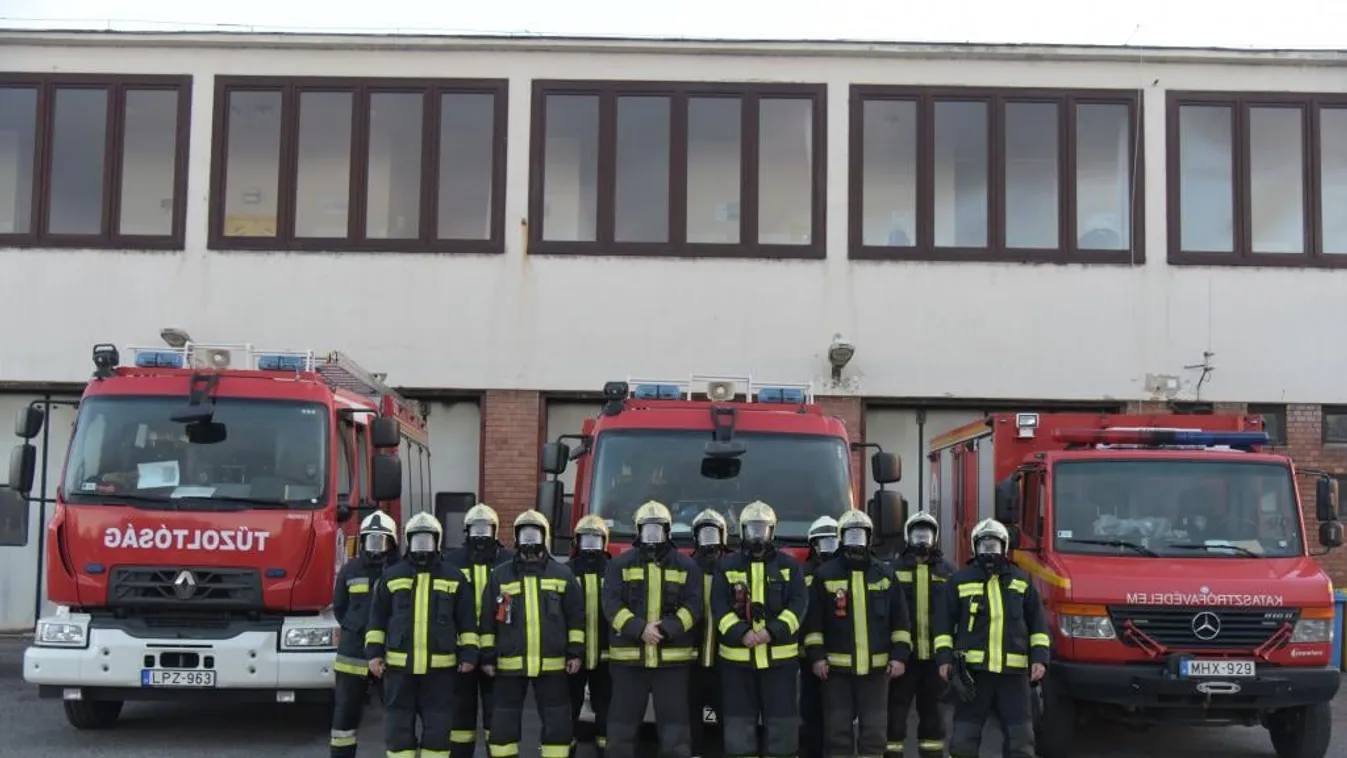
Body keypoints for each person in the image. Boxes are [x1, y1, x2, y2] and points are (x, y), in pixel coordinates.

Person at [934, 518, 1051, 758]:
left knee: (1021, 741)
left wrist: (1040, 658)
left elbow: (1038, 624)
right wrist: (944, 659)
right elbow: (943, 624)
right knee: (964, 740)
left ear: (1004, 547)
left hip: (1014, 676)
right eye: (984, 546)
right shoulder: (959, 580)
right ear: (975, 547)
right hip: (973, 676)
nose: (989, 551)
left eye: (994, 545)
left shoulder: (1022, 581)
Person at [366, 512, 478, 758]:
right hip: (398, 671)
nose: (423, 547)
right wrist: (374, 655)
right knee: (398, 730)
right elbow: (377, 620)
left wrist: (469, 654)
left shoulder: (454, 577)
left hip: (440, 673)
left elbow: (467, 621)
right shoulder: (392, 576)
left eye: (427, 540)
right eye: (418, 540)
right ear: (408, 541)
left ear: (437, 542)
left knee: (438, 732)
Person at [803, 510, 911, 758]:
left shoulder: (885, 575)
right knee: (837, 735)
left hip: (876, 672)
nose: (856, 541)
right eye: (851, 535)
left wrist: (900, 657)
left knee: (874, 736)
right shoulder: (825, 575)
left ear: (869, 538)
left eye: (860, 535)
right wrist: (817, 657)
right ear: (841, 538)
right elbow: (814, 624)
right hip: (835, 672)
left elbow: (901, 622)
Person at [480, 510, 586, 758]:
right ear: (516, 539)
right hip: (508, 666)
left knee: (558, 725)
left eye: (534, 534)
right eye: (524, 534)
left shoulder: (562, 574)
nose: (529, 540)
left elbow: (576, 617)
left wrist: (575, 653)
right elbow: (487, 619)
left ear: (544, 537)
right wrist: (487, 656)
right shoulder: (500, 575)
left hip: (553, 666)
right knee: (503, 726)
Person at [603, 500, 704, 758]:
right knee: (621, 730)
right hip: (629, 662)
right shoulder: (619, 565)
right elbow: (611, 605)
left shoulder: (687, 566)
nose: (652, 536)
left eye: (657, 530)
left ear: (667, 531)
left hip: (671, 663)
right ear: (638, 531)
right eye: (647, 530)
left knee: (675, 733)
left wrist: (665, 629)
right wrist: (640, 629)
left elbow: (694, 607)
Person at [712, 501, 808, 758]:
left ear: (772, 531)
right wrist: (741, 633)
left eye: (762, 529)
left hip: (780, 664)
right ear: (742, 531)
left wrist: (771, 632)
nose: (757, 535)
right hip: (737, 664)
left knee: (782, 727)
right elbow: (719, 608)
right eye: (752, 530)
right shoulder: (727, 566)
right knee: (739, 728)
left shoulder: (789, 566)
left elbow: (799, 606)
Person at [444, 502, 517, 758]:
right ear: (466, 531)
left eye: (486, 529)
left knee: (497, 715)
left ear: (495, 531)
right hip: (461, 652)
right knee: (459, 717)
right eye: (476, 529)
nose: (481, 535)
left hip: (497, 651)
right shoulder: (450, 562)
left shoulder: (510, 562)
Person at [329, 511, 399, 758]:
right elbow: (339, 607)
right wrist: (355, 627)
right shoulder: (350, 570)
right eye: (371, 540)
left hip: (388, 656)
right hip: (352, 655)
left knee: (396, 717)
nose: (376, 546)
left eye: (381, 540)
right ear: (362, 541)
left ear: (392, 542)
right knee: (344, 718)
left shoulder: (399, 571)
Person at [887, 511, 954, 758]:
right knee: (895, 716)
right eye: (917, 535)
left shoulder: (948, 572)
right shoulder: (892, 571)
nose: (922, 541)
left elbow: (956, 615)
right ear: (908, 537)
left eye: (926, 535)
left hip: (935, 662)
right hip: (904, 660)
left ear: (935, 538)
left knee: (934, 718)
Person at [568, 514, 614, 757]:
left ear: (604, 542)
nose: (590, 545)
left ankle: (604, 749)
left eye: (595, 540)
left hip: (606, 654)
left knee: (606, 707)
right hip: (574, 655)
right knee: (570, 707)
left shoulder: (615, 570)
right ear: (576, 542)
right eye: (585, 539)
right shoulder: (565, 571)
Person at [688, 509, 729, 758]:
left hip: (725, 660)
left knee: (728, 717)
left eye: (713, 533)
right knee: (690, 717)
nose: (709, 540)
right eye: (704, 534)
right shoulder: (685, 567)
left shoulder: (734, 567)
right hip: (691, 659)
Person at [799, 515, 838, 758]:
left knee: (838, 715)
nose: (829, 549)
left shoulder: (846, 572)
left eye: (833, 542)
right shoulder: (802, 574)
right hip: (806, 657)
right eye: (824, 543)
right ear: (813, 546)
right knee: (810, 713)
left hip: (839, 656)